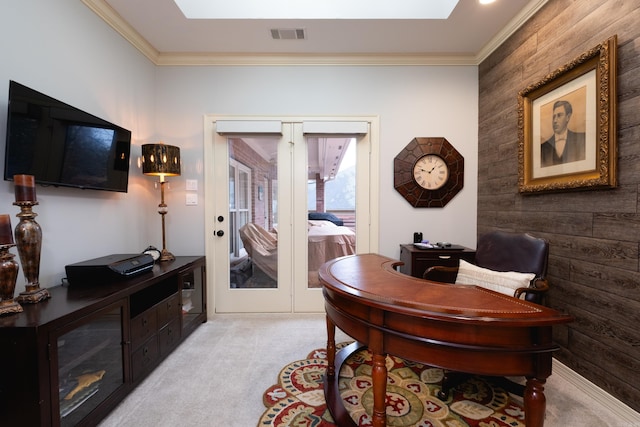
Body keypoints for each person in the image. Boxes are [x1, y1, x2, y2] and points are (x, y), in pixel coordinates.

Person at [540, 100, 586, 167]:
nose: (555, 121)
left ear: (568, 117)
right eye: (554, 117)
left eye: (559, 115)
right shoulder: (543, 148)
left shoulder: (582, 139)